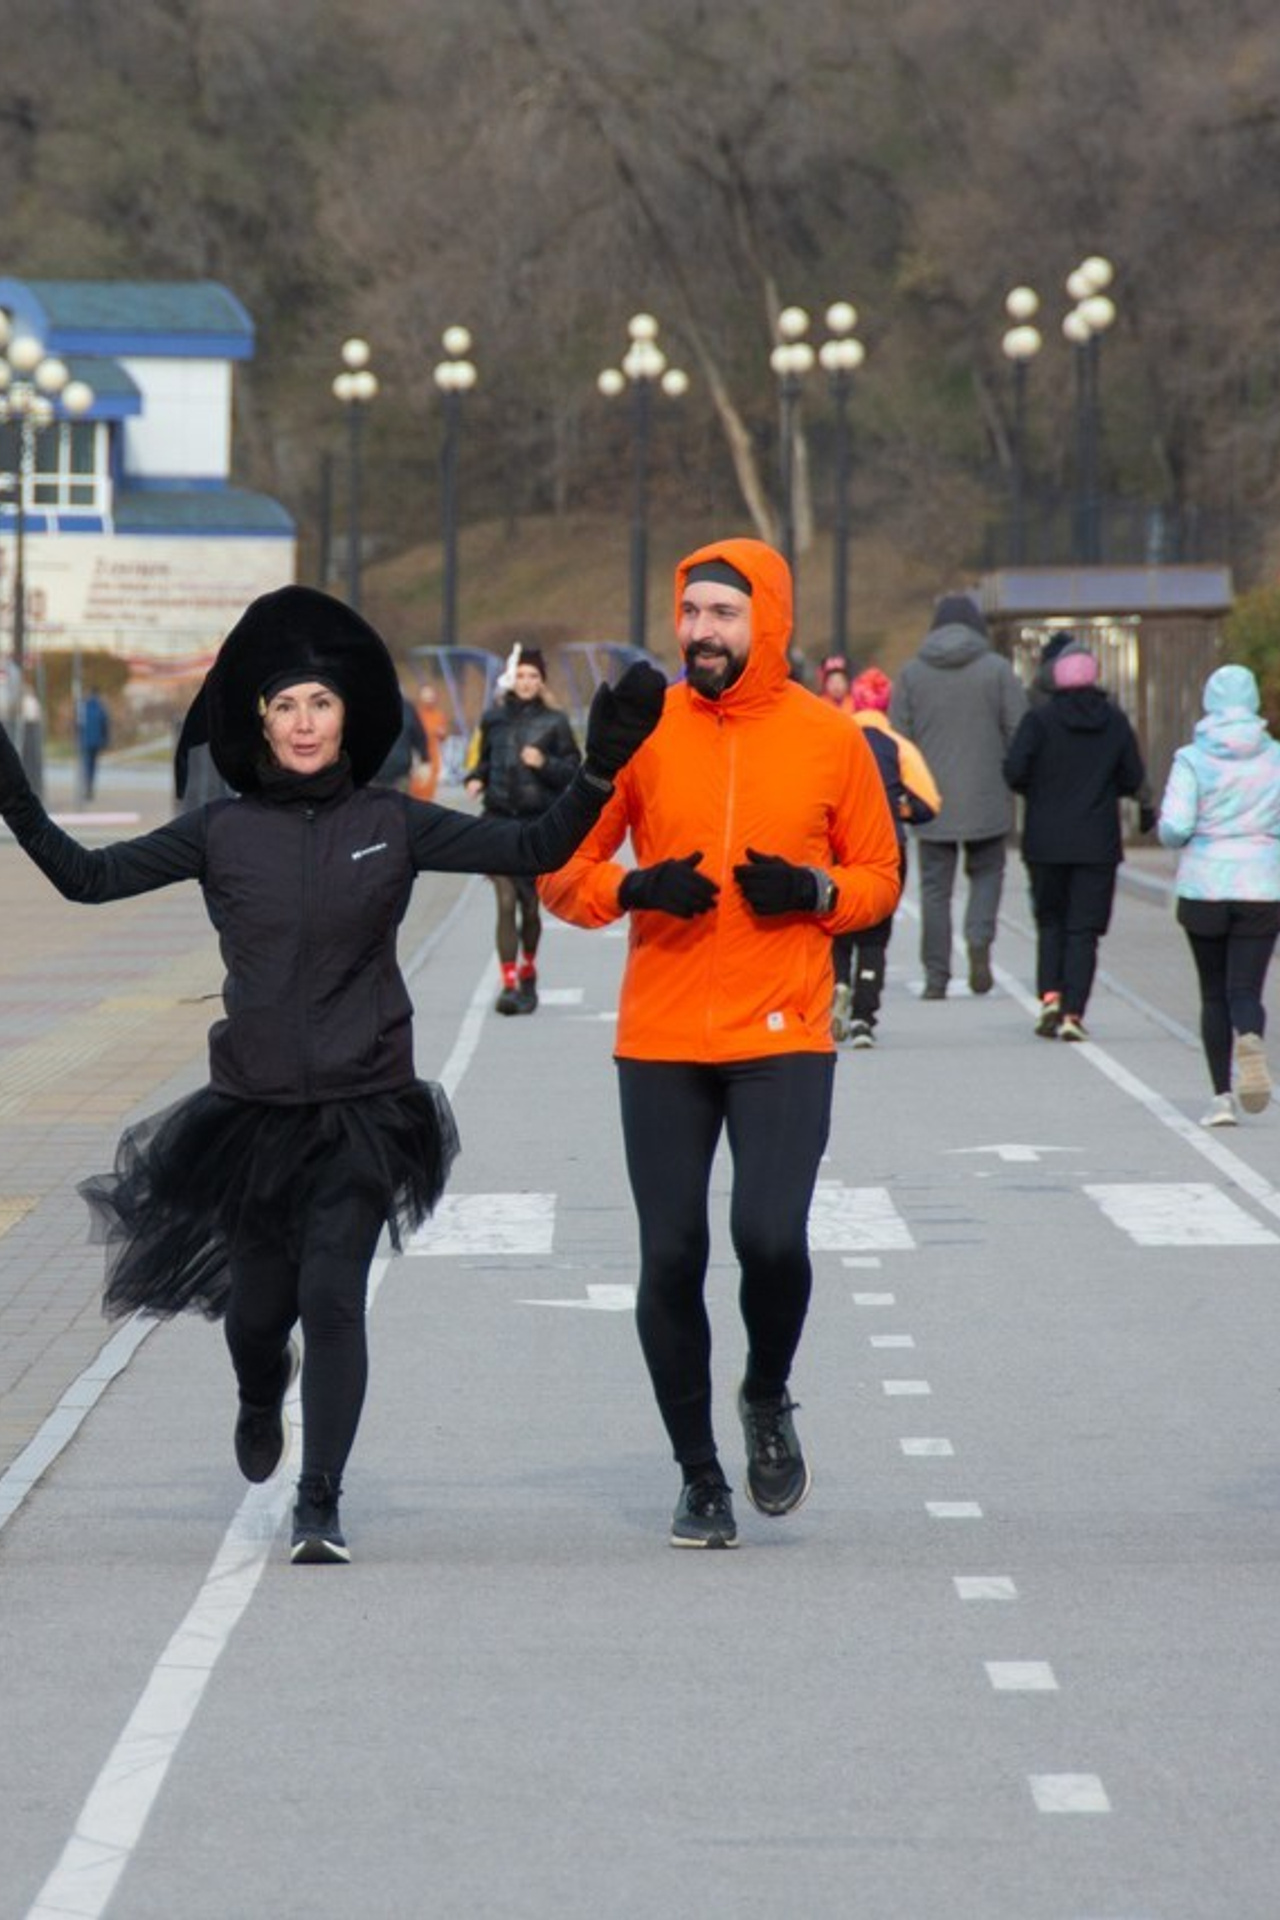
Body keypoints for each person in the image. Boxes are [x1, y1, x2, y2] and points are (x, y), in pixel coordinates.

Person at [0, 585, 663, 1564]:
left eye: (320, 703)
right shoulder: (220, 832)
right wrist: (13, 789)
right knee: (257, 1315)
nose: (305, 722)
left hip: (363, 1107)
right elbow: (86, 879)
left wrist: (599, 768)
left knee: (335, 1298)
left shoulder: (392, 821)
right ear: (260, 723)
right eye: (285, 706)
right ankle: (259, 1387)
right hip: (253, 1115)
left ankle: (319, 1502)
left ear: (347, 717)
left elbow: (533, 846)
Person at [540, 539, 901, 1550]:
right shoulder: (646, 731)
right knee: (670, 1255)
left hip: (783, 1028)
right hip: (661, 1033)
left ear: (767, 622)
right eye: (690, 612)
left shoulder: (829, 737)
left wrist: (813, 890)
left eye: (722, 614)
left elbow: (879, 877)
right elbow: (559, 872)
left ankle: (766, 1393)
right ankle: (699, 1475)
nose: (699, 631)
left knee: (770, 1237)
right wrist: (635, 886)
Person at [1157, 663, 1280, 1128]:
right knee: (1245, 989)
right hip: (1261, 885)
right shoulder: (1275, 758)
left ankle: (1222, 1097)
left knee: (1212, 994)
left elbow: (1174, 826)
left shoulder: (1191, 759)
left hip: (1204, 885)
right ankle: (1250, 1034)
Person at [1003, 643, 1146, 1042]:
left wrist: (1038, 791)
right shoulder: (1115, 721)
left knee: (1050, 921)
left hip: (1045, 839)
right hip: (1097, 842)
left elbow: (1014, 771)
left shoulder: (1039, 720)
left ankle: (1050, 994)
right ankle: (1074, 1012)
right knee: (1084, 929)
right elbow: (1133, 777)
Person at [890, 593, 1027, 998]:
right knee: (987, 873)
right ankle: (979, 939)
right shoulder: (998, 670)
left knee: (935, 890)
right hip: (987, 795)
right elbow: (1019, 731)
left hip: (930, 800)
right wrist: (1010, 779)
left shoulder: (912, 674)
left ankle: (936, 976)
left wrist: (907, 792)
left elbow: (899, 740)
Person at [465, 645, 582, 1015]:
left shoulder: (556, 722)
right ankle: (509, 982)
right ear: (510, 679)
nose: (526, 682)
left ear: (542, 681)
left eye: (533, 676)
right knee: (504, 900)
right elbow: (485, 761)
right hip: (497, 822)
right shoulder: (493, 719)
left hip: (535, 825)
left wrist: (543, 762)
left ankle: (528, 968)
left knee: (530, 909)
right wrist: (475, 779)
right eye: (521, 675)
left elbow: (573, 772)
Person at [832, 666, 941, 1046]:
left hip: (839, 846)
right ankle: (864, 1018)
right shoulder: (899, 746)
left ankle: (838, 982)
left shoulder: (835, 738)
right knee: (875, 936)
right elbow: (929, 803)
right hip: (886, 846)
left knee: (838, 926)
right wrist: (901, 808)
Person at [374, 692, 428, 791]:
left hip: (401, 776)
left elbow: (419, 736)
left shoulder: (408, 708)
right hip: (373, 778)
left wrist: (425, 761)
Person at [410, 682, 449, 801]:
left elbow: (443, 736)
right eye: (426, 696)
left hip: (432, 758)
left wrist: (441, 734)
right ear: (420, 697)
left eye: (431, 696)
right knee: (415, 791)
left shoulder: (439, 715)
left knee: (428, 793)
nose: (429, 699)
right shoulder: (416, 714)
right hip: (417, 757)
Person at [77, 687, 111, 800]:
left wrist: (78, 739)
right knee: (93, 765)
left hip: (85, 741)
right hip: (96, 742)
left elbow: (79, 725)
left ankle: (87, 786)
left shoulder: (83, 707)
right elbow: (105, 725)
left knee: (86, 765)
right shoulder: (101, 708)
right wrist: (105, 741)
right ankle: (90, 786)